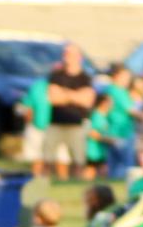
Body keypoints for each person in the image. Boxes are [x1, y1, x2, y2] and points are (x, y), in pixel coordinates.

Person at [43, 42, 96, 180]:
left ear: (79, 57)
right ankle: (45, 181)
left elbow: (87, 100)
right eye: (65, 54)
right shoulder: (56, 75)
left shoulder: (85, 78)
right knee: (48, 157)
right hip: (56, 123)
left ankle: (76, 182)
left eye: (70, 54)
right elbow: (53, 97)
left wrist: (64, 94)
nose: (67, 57)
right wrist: (76, 95)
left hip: (76, 123)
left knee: (78, 159)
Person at [18, 70, 53, 178]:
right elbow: (27, 106)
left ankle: (50, 179)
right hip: (37, 125)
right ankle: (37, 178)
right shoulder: (39, 86)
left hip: (55, 127)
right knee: (37, 156)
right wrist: (29, 122)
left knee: (53, 158)